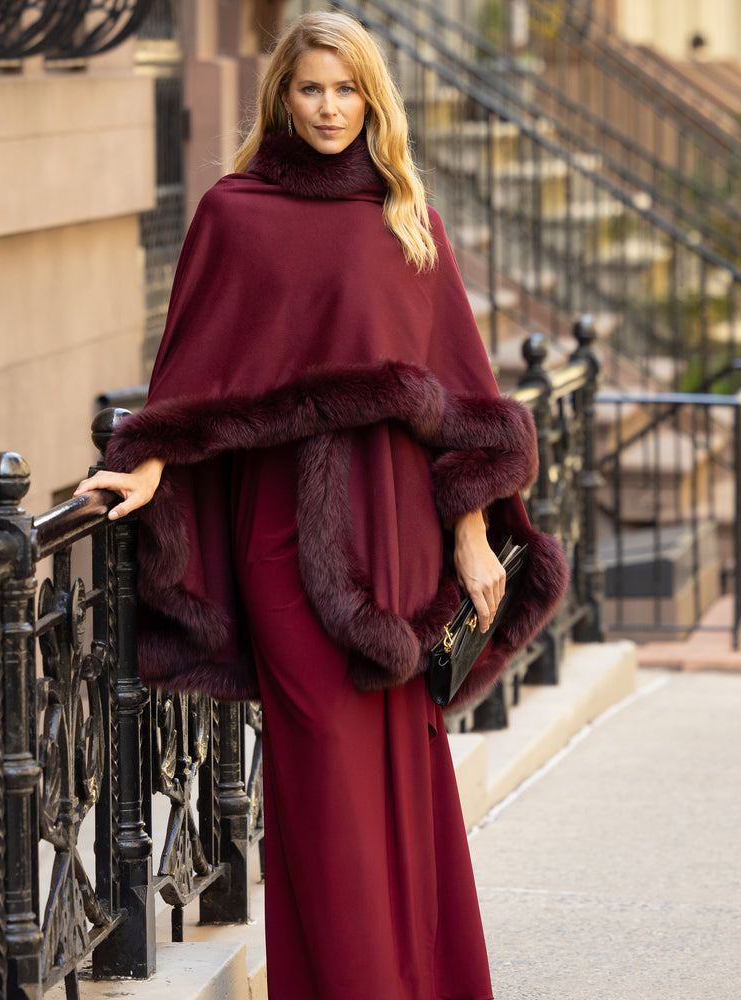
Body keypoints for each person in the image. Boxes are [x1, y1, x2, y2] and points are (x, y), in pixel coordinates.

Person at [76, 11, 568, 999]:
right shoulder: (232, 211)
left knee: (403, 775)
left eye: (346, 89)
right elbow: (194, 372)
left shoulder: (405, 216)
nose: (329, 107)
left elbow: (463, 397)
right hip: (279, 544)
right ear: (282, 98)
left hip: (396, 537)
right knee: (321, 784)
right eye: (310, 89)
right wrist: (147, 462)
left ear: (370, 99)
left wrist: (473, 533)